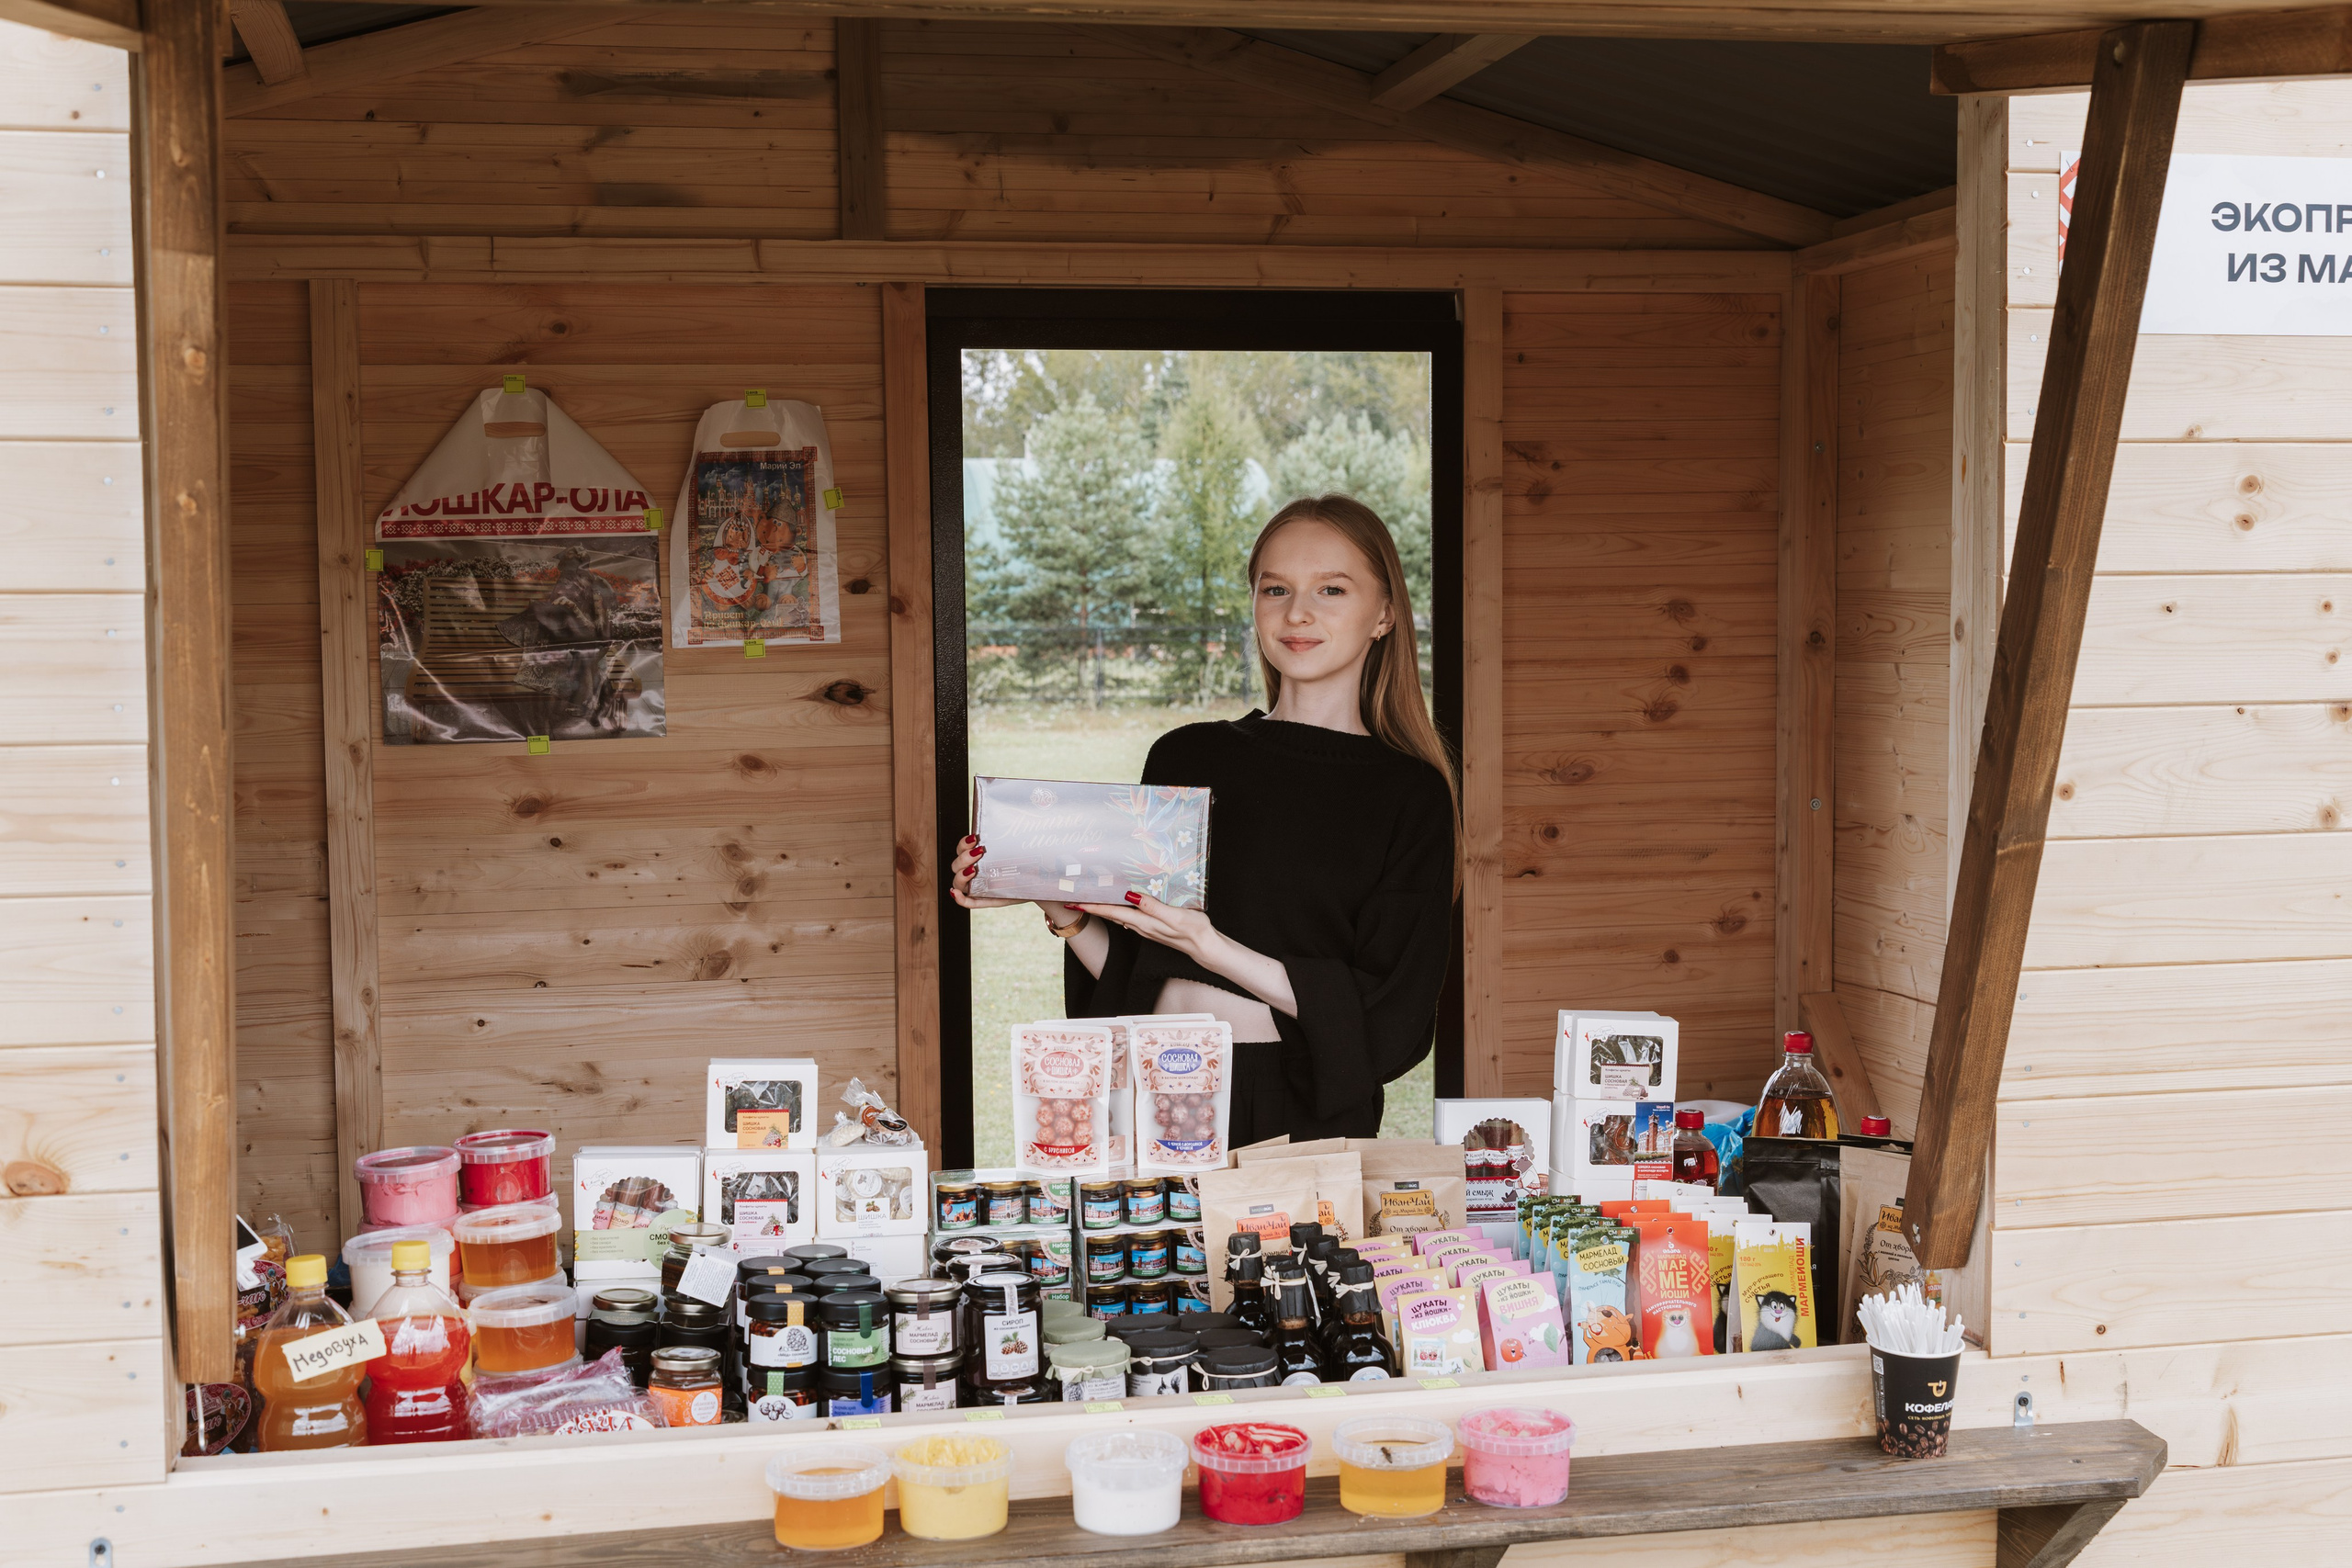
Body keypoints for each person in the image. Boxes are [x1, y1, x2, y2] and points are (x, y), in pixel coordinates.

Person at [950, 494, 1460, 1143]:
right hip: (1150, 1085)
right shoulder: (1185, 754)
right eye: (1275, 588)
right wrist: (1060, 906)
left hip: (1292, 1110)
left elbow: (1387, 1024)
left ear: (1384, 613)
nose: (1297, 612)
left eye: (1331, 589)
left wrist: (1208, 942)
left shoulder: (1409, 793)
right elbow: (1133, 975)